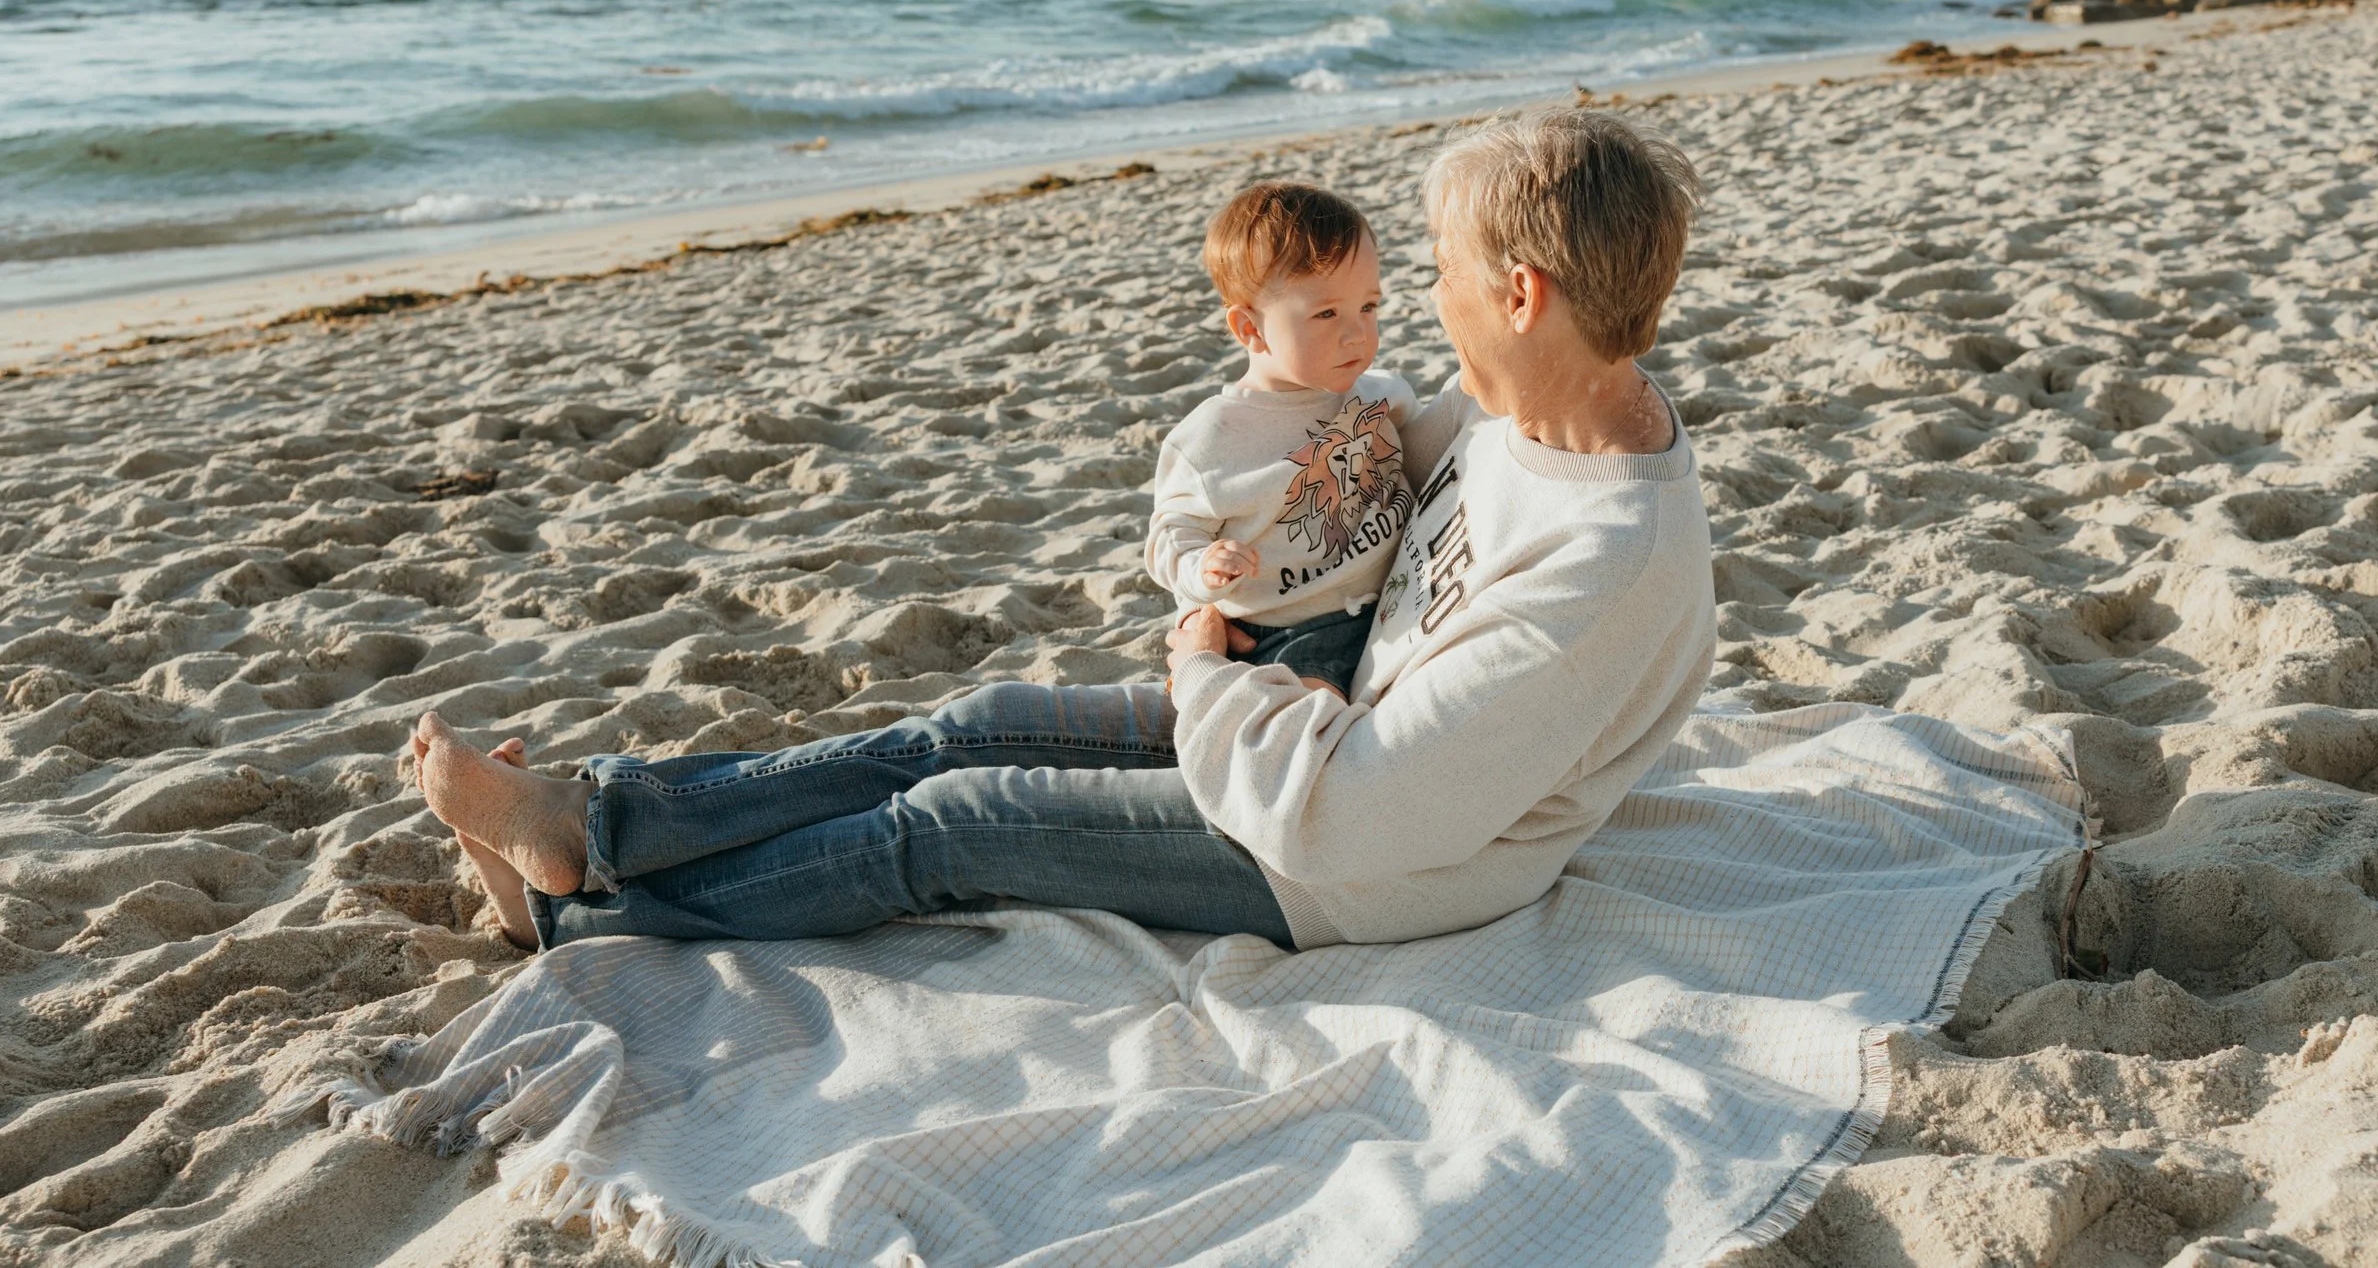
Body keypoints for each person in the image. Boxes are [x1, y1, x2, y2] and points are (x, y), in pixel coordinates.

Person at [410, 106, 1716, 954]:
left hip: (1355, 864)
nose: (1425, 303)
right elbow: (1367, 463)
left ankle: (581, 918)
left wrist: (1205, 676)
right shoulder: (1531, 410)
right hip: (1314, 716)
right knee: (968, 726)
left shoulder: (1610, 564)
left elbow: (1359, 818)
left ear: (1521, 294)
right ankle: (602, 819)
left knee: (956, 822)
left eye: (1437, 272)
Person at [1146, 181, 1419, 698]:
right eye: (1326, 314)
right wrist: (1203, 569)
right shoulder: (1211, 440)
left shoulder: (1383, 396)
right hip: (1288, 631)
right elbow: (1169, 535)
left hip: (1393, 599)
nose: (1358, 334)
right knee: (1313, 716)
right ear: (1250, 329)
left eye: (1368, 307)